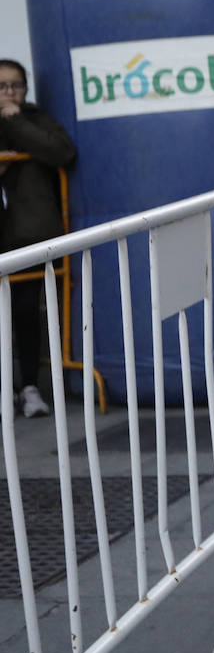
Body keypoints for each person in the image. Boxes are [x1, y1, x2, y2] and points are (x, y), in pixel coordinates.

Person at [0, 59, 78, 418]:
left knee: (25, 310)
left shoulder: (34, 118)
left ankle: (29, 386)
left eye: (16, 85)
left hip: (27, 233)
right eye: (1, 87)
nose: (9, 93)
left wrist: (15, 120)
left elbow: (62, 152)